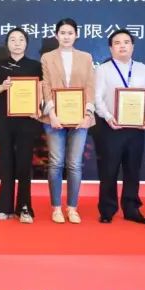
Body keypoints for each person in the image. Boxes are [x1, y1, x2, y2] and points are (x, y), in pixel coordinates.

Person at [92, 29, 145, 224]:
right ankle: (107, 209)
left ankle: (132, 209)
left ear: (132, 46)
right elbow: (97, 97)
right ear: (110, 48)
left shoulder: (143, 69)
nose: (122, 46)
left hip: (136, 128)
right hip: (110, 127)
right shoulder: (103, 70)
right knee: (109, 170)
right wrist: (108, 117)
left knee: (132, 169)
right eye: (117, 43)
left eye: (126, 42)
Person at [40, 18, 95, 223]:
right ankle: (56, 208)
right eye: (62, 33)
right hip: (54, 118)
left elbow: (90, 86)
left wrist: (87, 114)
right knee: (55, 163)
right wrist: (52, 113)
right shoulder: (47, 57)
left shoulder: (86, 57)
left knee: (74, 164)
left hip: (80, 118)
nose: (66, 36)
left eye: (70, 33)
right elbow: (46, 85)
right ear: (56, 35)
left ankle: (72, 208)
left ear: (76, 35)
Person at [0, 28, 44, 223]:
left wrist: (38, 107)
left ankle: (24, 207)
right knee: (6, 163)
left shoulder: (35, 66)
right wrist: (1, 87)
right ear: (7, 44)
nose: (17, 43)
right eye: (12, 39)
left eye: (21, 39)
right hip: (3, 120)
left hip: (27, 120)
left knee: (24, 163)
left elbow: (41, 90)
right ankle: (4, 206)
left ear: (26, 43)